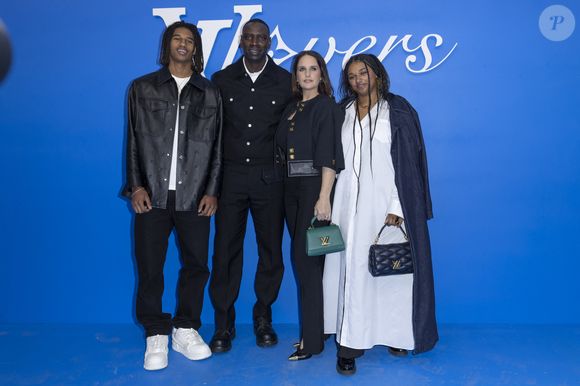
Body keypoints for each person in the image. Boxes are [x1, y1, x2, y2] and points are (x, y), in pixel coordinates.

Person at [322, 54, 438, 375]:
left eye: (364, 73)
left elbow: (409, 165)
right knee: (351, 274)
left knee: (392, 274)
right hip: (345, 207)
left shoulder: (398, 111)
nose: (359, 80)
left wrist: (398, 206)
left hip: (384, 208)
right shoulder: (341, 112)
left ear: (379, 75)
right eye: (353, 76)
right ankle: (350, 343)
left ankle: (395, 334)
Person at [122, 21, 223, 371]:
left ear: (196, 48)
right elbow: (133, 140)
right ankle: (155, 332)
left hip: (195, 196)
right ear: (167, 46)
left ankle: (185, 328)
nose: (183, 45)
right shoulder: (142, 88)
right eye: (177, 39)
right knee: (150, 266)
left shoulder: (209, 92)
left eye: (189, 41)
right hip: (152, 194)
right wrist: (136, 186)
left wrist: (212, 191)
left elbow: (218, 148)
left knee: (196, 265)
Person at [208, 19, 292, 352]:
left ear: (269, 42)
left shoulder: (286, 82)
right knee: (226, 250)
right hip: (229, 179)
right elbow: (211, 135)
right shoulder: (222, 80)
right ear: (242, 41)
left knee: (270, 250)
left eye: (261, 37)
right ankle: (224, 322)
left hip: (269, 179)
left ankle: (263, 316)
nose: (255, 42)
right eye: (249, 37)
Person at [275, 51, 344, 361]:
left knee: (306, 264)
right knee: (307, 264)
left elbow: (329, 154)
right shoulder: (292, 108)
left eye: (312, 69)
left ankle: (312, 341)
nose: (306, 74)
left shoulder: (326, 107)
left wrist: (324, 196)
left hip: (313, 187)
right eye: (301, 69)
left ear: (321, 74)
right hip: (289, 190)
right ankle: (314, 332)